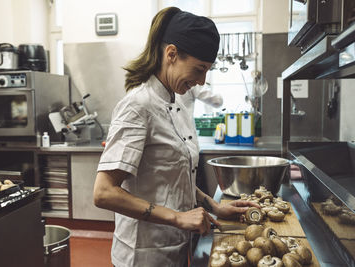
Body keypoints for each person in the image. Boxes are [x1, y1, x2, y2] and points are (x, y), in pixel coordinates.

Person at [93, 7, 259, 267]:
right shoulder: (138, 106)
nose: (203, 81)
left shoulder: (177, 105)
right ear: (171, 54)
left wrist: (215, 207)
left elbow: (172, 176)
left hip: (176, 249)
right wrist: (178, 218)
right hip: (143, 256)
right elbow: (104, 193)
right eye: (199, 69)